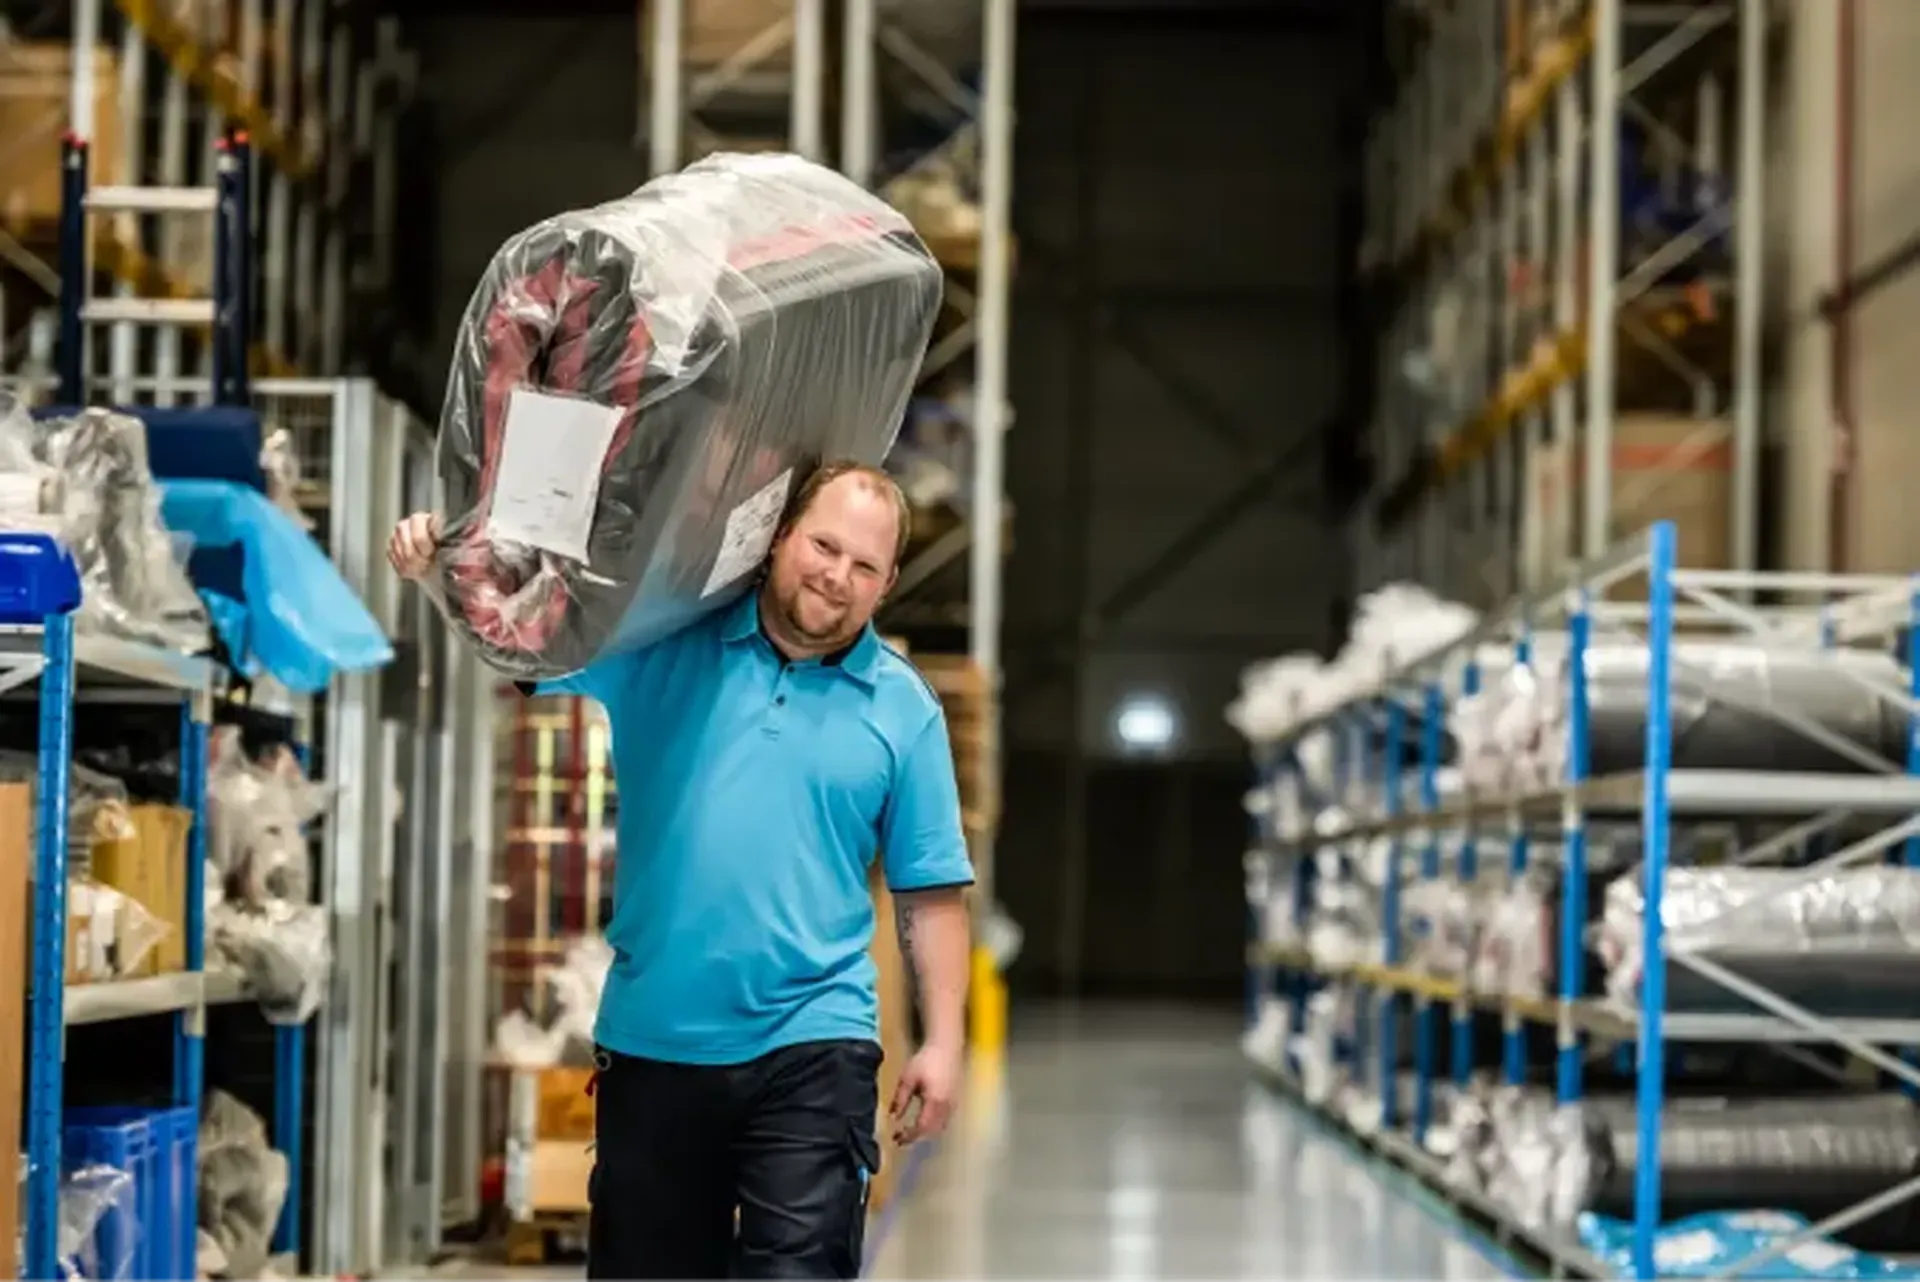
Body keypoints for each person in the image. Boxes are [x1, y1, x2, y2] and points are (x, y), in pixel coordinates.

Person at [388, 461, 974, 1282]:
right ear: (779, 539)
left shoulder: (902, 709)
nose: (837, 576)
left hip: (815, 1040)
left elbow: (932, 892)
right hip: (656, 1041)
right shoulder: (662, 645)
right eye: (824, 546)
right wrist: (436, 574)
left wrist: (945, 1043)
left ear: (887, 583)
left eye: (864, 565)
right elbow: (520, 647)